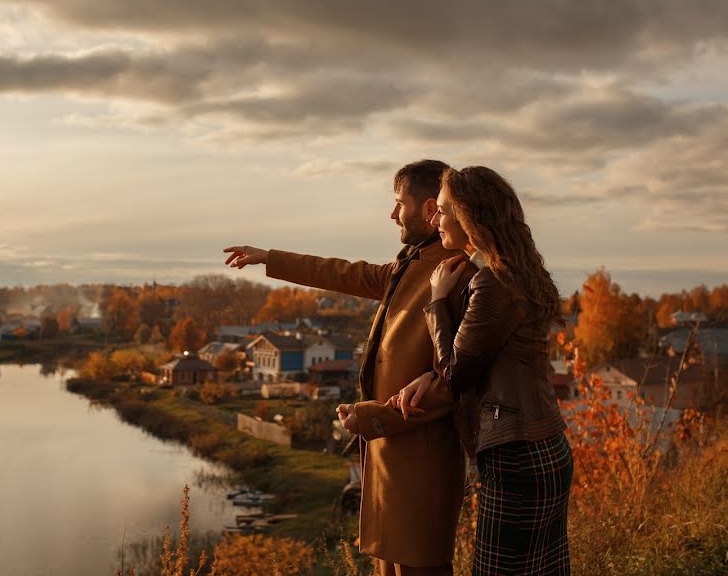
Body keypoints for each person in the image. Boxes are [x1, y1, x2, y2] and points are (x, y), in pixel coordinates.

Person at [224, 160, 474, 576]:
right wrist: (270, 257)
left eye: (399, 204)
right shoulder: (410, 265)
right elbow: (342, 272)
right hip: (389, 462)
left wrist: (369, 416)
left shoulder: (453, 274)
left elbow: (448, 384)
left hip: (419, 468)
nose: (393, 214)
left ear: (430, 209)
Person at [393, 165, 573, 575]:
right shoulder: (511, 271)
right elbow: (484, 356)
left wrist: (437, 302)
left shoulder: (493, 281)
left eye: (441, 211)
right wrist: (430, 374)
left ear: (469, 216)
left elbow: (457, 374)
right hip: (542, 445)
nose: (433, 219)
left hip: (516, 455)